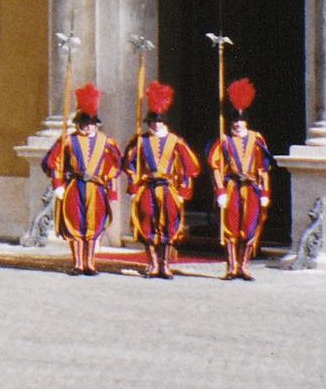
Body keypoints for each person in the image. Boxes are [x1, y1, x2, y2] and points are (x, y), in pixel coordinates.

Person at [124, 81, 201, 279]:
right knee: (146, 222)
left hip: (168, 188)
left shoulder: (176, 142)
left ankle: (165, 264)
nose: (157, 124)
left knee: (168, 225)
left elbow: (189, 168)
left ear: (165, 122)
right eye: (153, 121)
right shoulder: (140, 140)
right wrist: (134, 184)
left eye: (160, 121)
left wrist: (183, 192)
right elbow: (128, 163)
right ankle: (152, 263)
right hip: (147, 188)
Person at [44, 84, 123, 276]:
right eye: (85, 122)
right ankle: (78, 263)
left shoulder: (106, 142)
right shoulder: (68, 140)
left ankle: (90, 263)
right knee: (75, 223)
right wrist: (57, 185)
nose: (89, 126)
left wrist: (111, 191)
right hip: (74, 186)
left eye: (92, 122)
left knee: (93, 225)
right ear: (79, 122)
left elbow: (113, 167)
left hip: (95, 188)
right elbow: (53, 162)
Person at [206, 78, 274, 280]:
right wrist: (219, 191)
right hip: (231, 187)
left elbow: (262, 167)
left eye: (241, 120)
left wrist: (264, 192)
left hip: (251, 187)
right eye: (234, 120)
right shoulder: (224, 140)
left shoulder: (257, 139)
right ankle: (231, 267)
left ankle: (244, 266)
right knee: (231, 226)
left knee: (249, 226)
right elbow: (215, 166)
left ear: (246, 121)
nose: (237, 123)